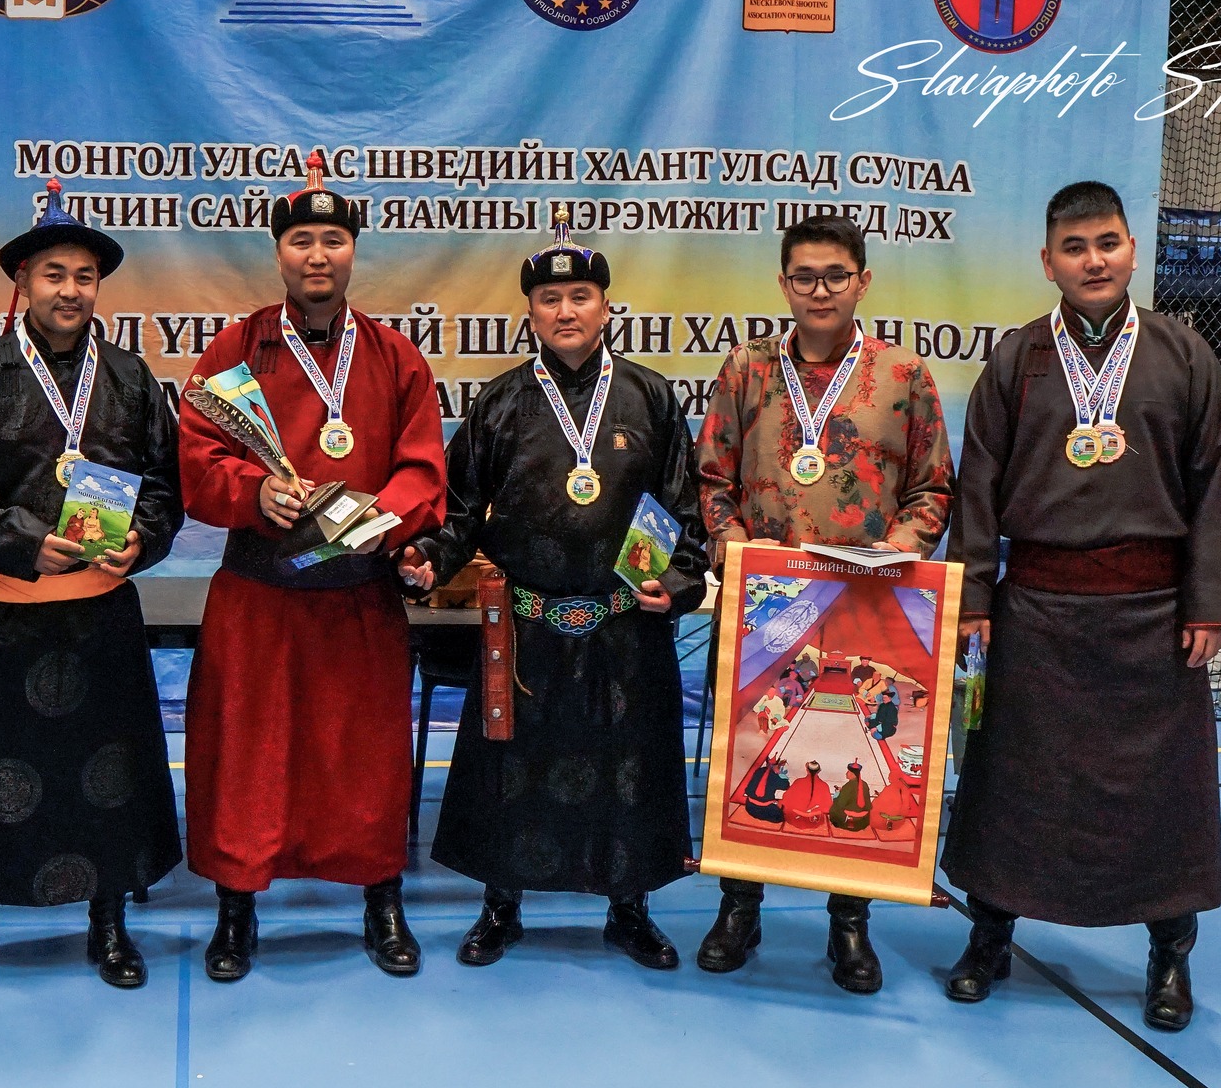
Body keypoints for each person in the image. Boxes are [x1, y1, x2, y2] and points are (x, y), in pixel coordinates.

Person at [940, 181, 1221, 1032]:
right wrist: (973, 597)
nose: (1094, 260)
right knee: (1011, 782)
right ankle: (990, 937)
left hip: (1152, 616)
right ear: (1048, 262)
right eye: (1074, 248)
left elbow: (1216, 480)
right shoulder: (1016, 358)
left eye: (1107, 242)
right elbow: (978, 485)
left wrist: (1211, 602)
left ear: (1132, 250)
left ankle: (1169, 955)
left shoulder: (1185, 354)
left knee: (1163, 794)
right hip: (1036, 611)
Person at [399, 212, 706, 969]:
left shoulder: (651, 397)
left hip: (623, 621)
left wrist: (675, 580)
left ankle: (629, 909)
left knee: (627, 770)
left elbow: (683, 511)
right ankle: (500, 907)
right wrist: (430, 557)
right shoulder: (500, 403)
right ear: (530, 313)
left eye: (579, 296)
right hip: (526, 625)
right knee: (513, 772)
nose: (565, 310)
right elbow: (459, 511)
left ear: (606, 306)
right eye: (549, 299)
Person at [176, 153, 446, 981]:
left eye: (333, 240)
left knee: (364, 757)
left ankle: (381, 899)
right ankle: (236, 906)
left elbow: (423, 466)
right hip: (259, 592)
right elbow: (196, 454)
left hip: (357, 594)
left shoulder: (396, 356)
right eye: (301, 241)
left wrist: (379, 518)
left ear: (353, 250)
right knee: (246, 756)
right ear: (279, 253)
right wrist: (255, 491)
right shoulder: (236, 346)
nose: (318, 255)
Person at [0, 181, 183, 994]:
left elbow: (165, 485)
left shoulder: (131, 378)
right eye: (54, 274)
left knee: (107, 778)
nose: (70, 289)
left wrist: (141, 539)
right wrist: (33, 542)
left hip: (101, 613)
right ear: (23, 280)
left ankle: (109, 920)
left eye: (84, 276)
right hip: (5, 611)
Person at [693, 213, 954, 994]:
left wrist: (901, 545)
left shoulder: (903, 375)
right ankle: (739, 906)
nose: (819, 290)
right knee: (753, 748)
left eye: (835, 275)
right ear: (783, 283)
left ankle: (850, 920)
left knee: (853, 758)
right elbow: (712, 478)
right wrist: (734, 545)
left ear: (862, 281)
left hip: (865, 601)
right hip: (767, 606)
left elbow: (933, 487)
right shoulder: (747, 367)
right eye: (804, 276)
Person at [829, 761, 872, 833]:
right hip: (863, 822)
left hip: (848, 819)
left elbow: (841, 803)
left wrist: (837, 794)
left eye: (848, 771)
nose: (846, 773)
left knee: (835, 806)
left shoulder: (848, 786)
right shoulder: (864, 784)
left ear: (853, 774)